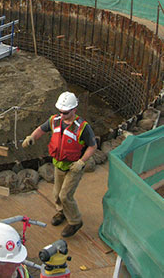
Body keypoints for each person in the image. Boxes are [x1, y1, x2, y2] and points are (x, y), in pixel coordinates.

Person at [22, 91, 96, 237]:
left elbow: (92, 146)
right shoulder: (55, 120)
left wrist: (81, 162)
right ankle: (62, 212)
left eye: (66, 113)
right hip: (59, 164)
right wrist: (32, 137)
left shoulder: (83, 127)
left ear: (74, 110)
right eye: (60, 112)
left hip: (74, 166)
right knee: (56, 194)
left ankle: (75, 221)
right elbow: (41, 129)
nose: (62, 115)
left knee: (65, 195)